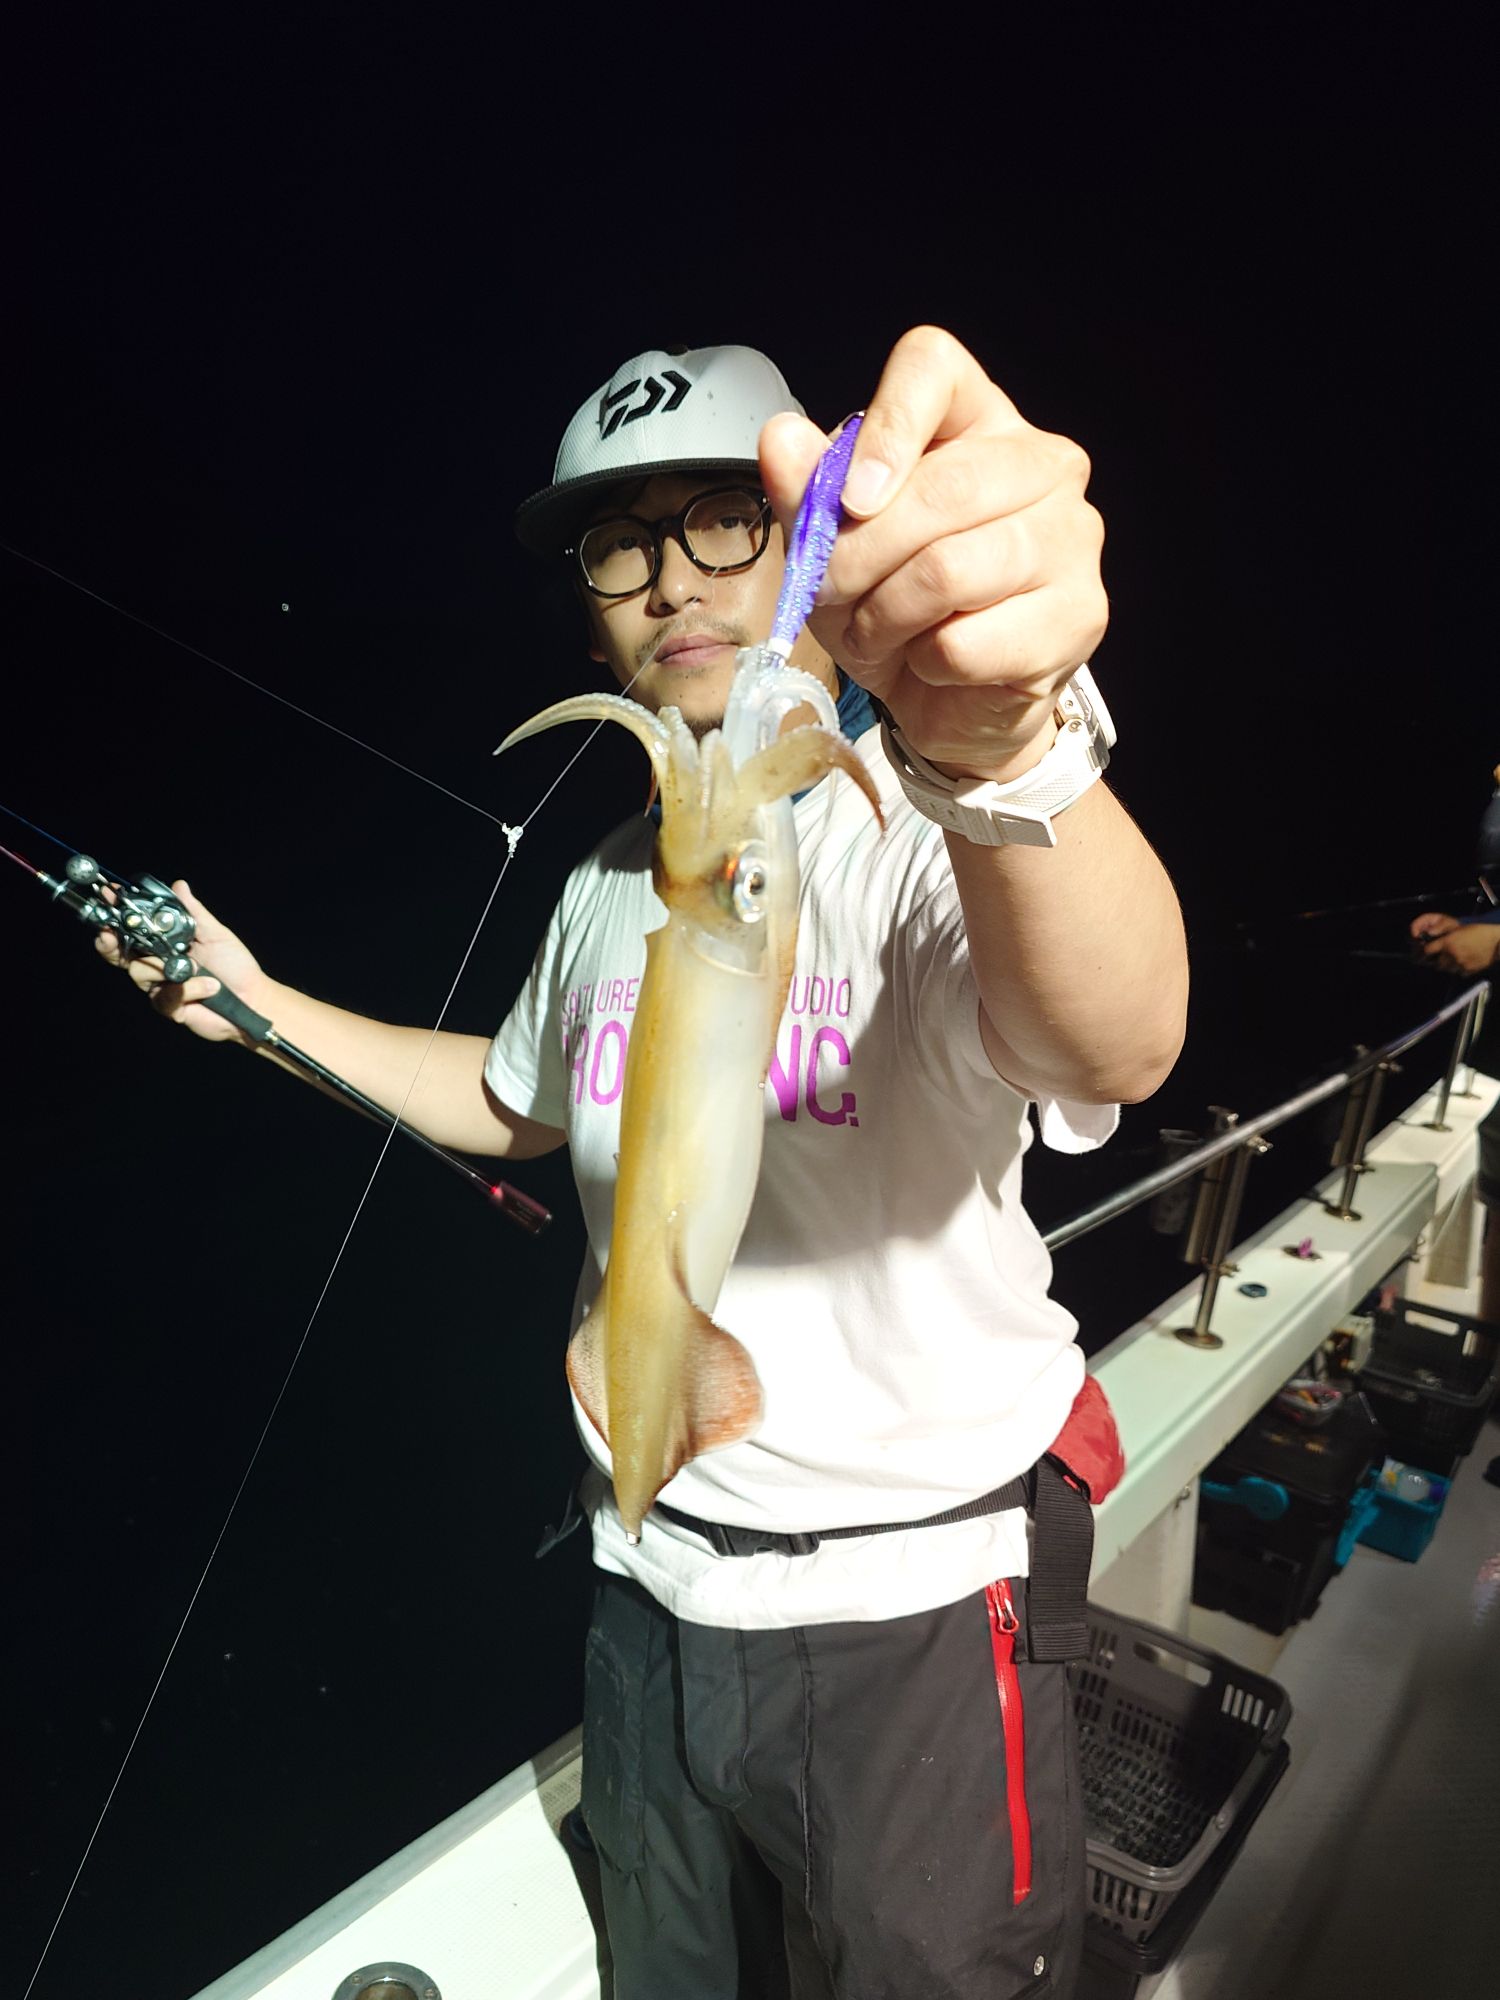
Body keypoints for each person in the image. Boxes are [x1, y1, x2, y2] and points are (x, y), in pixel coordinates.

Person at [100, 327, 1189, 1999]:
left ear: (809, 542)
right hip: (648, 1570)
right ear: (592, 608)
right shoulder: (617, 877)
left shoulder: (932, 834)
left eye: (723, 520)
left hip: (908, 1601)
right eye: (620, 544)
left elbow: (1114, 1044)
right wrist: (252, 1008)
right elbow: (519, 1099)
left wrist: (1002, 750)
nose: (672, 577)